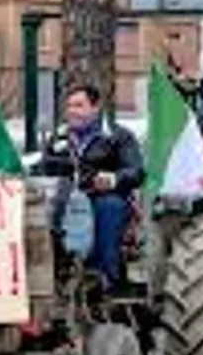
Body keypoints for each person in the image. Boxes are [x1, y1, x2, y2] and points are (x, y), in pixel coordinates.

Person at [42, 83, 145, 291]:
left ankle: (104, 278)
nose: (72, 111)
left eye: (79, 105)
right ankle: (51, 272)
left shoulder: (118, 136)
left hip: (102, 196)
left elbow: (136, 171)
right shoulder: (60, 138)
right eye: (69, 106)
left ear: (96, 107)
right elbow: (44, 165)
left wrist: (114, 178)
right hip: (66, 197)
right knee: (41, 210)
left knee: (109, 208)